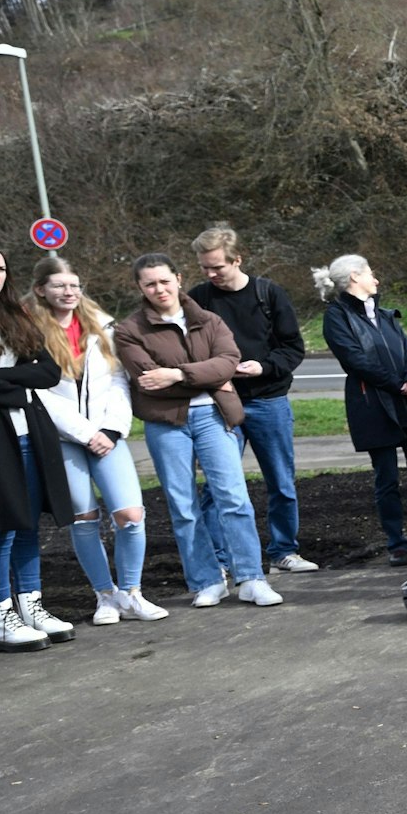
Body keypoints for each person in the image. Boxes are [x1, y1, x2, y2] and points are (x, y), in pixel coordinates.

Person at [116, 253, 284, 607]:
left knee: (233, 498)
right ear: (140, 288)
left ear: (178, 278)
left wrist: (176, 374)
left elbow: (228, 362)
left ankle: (251, 578)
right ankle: (207, 580)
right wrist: (209, 377)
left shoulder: (208, 319)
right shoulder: (129, 330)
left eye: (164, 280)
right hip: (166, 423)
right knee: (183, 505)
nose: (159, 288)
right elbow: (147, 381)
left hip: (212, 417)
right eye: (150, 283)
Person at [31, 257, 168, 625]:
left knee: (130, 514)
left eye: (74, 284)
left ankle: (132, 593)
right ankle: (105, 596)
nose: (68, 291)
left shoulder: (102, 327)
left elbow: (119, 382)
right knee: (84, 519)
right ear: (41, 289)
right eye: (59, 285)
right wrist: (85, 432)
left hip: (107, 436)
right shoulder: (28, 331)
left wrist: (110, 430)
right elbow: (38, 393)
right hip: (63, 438)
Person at [187, 226, 318, 575]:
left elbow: (292, 348)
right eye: (205, 268)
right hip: (219, 402)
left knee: (281, 480)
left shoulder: (268, 294)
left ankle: (283, 551)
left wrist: (264, 366)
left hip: (268, 400)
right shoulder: (199, 298)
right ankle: (222, 560)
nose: (211, 274)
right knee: (218, 487)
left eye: (217, 267)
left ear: (237, 260)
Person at [316, 254, 407, 568]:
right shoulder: (337, 316)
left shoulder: (385, 314)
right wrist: (397, 384)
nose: (376, 278)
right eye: (370, 273)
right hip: (373, 405)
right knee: (386, 478)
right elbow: (354, 360)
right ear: (354, 277)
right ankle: (396, 543)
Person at [0, 247, 78, 649]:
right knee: (4, 526)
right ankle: (1, 614)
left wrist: (4, 379)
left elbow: (47, 371)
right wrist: (19, 379)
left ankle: (31, 604)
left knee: (28, 523)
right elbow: (30, 375)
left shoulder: (15, 317)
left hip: (28, 432)